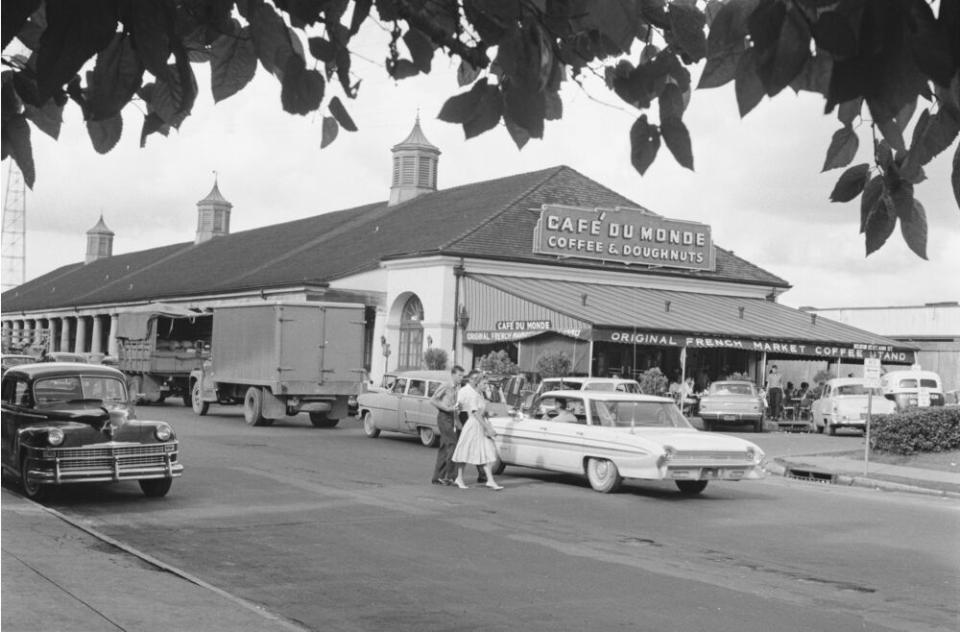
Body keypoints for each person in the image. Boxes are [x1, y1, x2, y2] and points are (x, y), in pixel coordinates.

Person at [452, 371, 504, 490]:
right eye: (484, 383)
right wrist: (488, 428)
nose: (486, 386)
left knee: (486, 452)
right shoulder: (472, 395)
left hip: (480, 425)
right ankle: (459, 478)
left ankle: (490, 480)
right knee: (465, 451)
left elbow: (480, 411)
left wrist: (488, 413)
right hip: (473, 426)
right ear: (478, 382)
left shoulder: (479, 394)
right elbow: (475, 413)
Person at [429, 365, 464, 486]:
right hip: (444, 417)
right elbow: (433, 400)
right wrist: (447, 408)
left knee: (444, 447)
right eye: (459, 375)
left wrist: (457, 420)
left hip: (451, 417)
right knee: (453, 444)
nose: (461, 378)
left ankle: (437, 477)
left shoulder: (457, 388)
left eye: (462, 376)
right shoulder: (446, 385)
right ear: (453, 375)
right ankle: (451, 476)